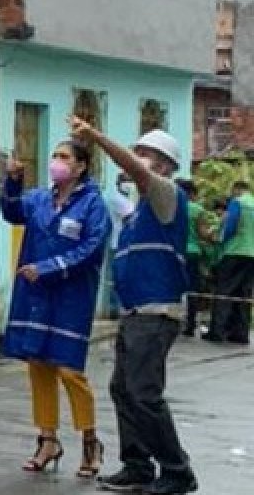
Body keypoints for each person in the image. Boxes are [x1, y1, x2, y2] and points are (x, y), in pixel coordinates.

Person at [67, 117, 196, 495]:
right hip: (136, 312)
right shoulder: (138, 211)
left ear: (167, 165)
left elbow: (136, 171)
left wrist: (97, 138)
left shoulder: (167, 194)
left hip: (156, 313)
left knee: (143, 392)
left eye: (149, 155)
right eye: (140, 152)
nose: (140, 159)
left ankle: (177, 470)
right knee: (124, 389)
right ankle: (137, 465)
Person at [0, 140, 110, 478]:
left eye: (64, 157)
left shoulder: (93, 204)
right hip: (35, 297)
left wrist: (49, 267)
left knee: (69, 369)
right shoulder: (38, 199)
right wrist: (13, 181)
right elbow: (11, 212)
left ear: (81, 166)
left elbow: (92, 248)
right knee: (38, 365)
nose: (57, 162)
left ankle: (90, 441)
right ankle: (47, 440)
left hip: (70, 297)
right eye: (55, 156)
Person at [203, 180, 254, 345]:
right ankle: (240, 333)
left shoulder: (237, 202)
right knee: (244, 294)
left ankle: (218, 331)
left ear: (237, 189)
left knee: (224, 291)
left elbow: (230, 226)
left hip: (234, 251)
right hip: (251, 254)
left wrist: (220, 239)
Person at [176, 179, 215, 338]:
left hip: (175, 252)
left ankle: (171, 322)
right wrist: (213, 234)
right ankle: (190, 325)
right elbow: (203, 234)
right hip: (192, 252)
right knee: (192, 289)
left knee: (173, 288)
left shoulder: (174, 207)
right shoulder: (197, 209)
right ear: (191, 193)